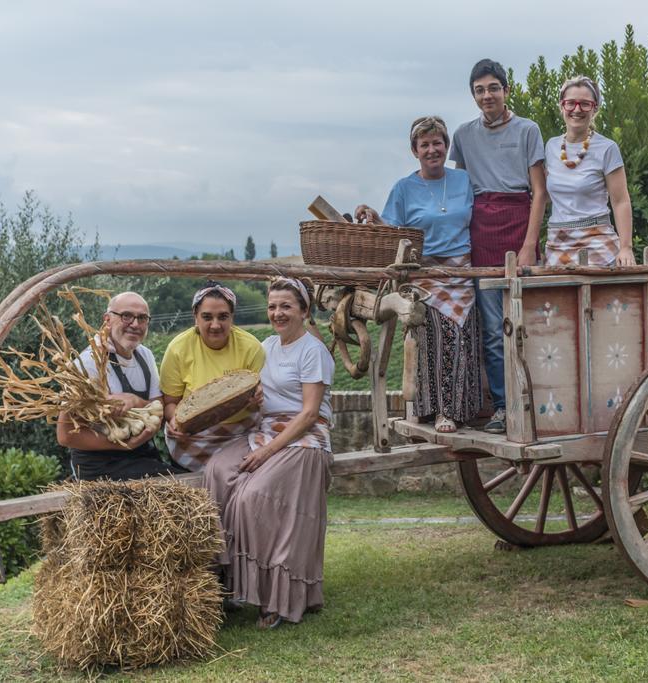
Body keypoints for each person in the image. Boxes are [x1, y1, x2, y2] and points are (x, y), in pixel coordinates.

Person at [204, 277, 335, 629]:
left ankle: (275, 598)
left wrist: (267, 453)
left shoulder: (313, 351)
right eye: (273, 306)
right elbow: (257, 392)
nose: (278, 313)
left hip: (305, 437)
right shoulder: (267, 346)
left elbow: (309, 413)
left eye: (286, 306)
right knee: (217, 470)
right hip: (266, 430)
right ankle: (222, 583)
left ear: (304, 312)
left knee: (252, 496)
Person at [354, 116, 482, 432]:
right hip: (423, 276)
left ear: (446, 146)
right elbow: (391, 231)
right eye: (424, 144)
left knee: (463, 338)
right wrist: (372, 216)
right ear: (415, 150)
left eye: (437, 143)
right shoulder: (404, 189)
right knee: (433, 337)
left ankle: (458, 411)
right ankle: (433, 411)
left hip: (461, 274)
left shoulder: (463, 181)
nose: (432, 150)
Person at [450, 58, 546, 434]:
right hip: (482, 233)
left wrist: (529, 244)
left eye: (493, 88)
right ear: (473, 95)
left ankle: (539, 402)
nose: (486, 95)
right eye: (479, 90)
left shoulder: (528, 130)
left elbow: (539, 192)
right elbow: (458, 192)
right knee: (493, 329)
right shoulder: (463, 135)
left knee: (530, 322)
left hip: (519, 225)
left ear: (506, 90)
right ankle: (504, 408)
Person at [56, 291, 183, 481]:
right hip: (99, 467)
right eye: (126, 316)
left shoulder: (144, 355)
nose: (135, 324)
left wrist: (134, 401)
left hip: (141, 457)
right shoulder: (88, 364)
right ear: (107, 319)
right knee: (181, 484)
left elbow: (157, 407)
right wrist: (123, 445)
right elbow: (65, 435)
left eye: (142, 318)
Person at [159, 281, 265, 477]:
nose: (215, 325)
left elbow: (257, 405)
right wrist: (174, 421)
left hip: (239, 435)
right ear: (195, 317)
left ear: (232, 317)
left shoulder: (251, 348)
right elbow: (170, 403)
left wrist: (256, 401)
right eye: (207, 317)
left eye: (223, 317)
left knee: (234, 477)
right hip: (192, 439)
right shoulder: (178, 349)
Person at [544, 76, 635, 268]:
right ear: (562, 106)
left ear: (595, 108)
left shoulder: (607, 148)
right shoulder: (550, 147)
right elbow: (542, 195)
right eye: (570, 103)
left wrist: (626, 247)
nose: (577, 109)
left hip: (598, 244)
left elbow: (620, 201)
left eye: (585, 104)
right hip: (557, 245)